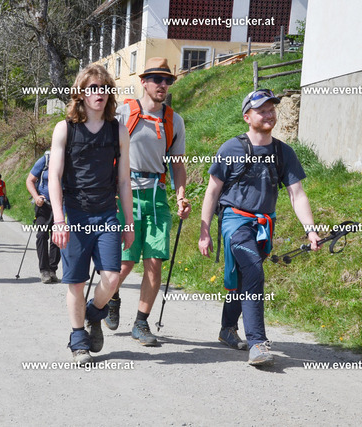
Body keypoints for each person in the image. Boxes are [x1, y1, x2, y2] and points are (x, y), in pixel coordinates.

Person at [198, 89, 320, 366]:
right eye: (261, 110)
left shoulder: (283, 152)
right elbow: (212, 191)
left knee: (244, 277)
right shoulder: (231, 149)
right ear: (247, 117)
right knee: (254, 270)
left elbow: (297, 194)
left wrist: (311, 230)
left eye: (271, 109)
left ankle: (227, 329)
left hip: (265, 224)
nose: (268, 114)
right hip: (235, 221)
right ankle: (258, 343)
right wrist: (204, 232)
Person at [48, 63, 134, 364]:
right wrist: (59, 220)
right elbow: (54, 176)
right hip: (75, 214)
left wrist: (129, 222)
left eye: (104, 88)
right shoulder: (65, 129)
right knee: (75, 281)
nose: (99, 93)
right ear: (81, 93)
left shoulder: (118, 130)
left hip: (107, 214)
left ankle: (94, 313)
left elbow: (124, 181)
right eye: (92, 88)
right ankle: (78, 340)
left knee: (112, 277)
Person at [103, 57, 191, 347]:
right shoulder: (124, 112)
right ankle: (111, 297)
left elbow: (177, 164)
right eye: (157, 79)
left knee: (154, 263)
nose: (163, 85)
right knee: (125, 264)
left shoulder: (174, 120)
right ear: (144, 82)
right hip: (124, 196)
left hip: (157, 197)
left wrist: (181, 195)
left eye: (168, 80)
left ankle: (141, 323)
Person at [26, 151, 61, 283]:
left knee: (57, 237)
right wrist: (36, 197)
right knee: (41, 235)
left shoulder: (69, 160)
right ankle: (44, 270)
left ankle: (52, 269)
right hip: (44, 205)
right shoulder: (45, 160)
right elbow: (30, 180)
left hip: (60, 205)